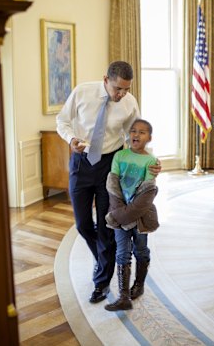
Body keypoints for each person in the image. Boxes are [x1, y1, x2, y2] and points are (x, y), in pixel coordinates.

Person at [56, 61, 161, 303]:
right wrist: (71, 139)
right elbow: (62, 121)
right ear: (106, 79)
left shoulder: (129, 102)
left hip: (111, 166)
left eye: (126, 89)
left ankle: (101, 283)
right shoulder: (82, 92)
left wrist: (150, 161)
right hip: (81, 163)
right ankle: (105, 259)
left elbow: (136, 135)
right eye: (117, 89)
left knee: (106, 227)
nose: (121, 94)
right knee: (83, 224)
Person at [103, 119, 158, 311]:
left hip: (140, 216)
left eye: (142, 132)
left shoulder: (151, 161)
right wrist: (121, 213)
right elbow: (113, 186)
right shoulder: (119, 155)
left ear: (149, 138)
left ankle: (139, 285)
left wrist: (125, 216)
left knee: (141, 249)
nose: (136, 134)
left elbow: (147, 192)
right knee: (122, 253)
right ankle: (123, 297)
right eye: (133, 131)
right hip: (119, 213)